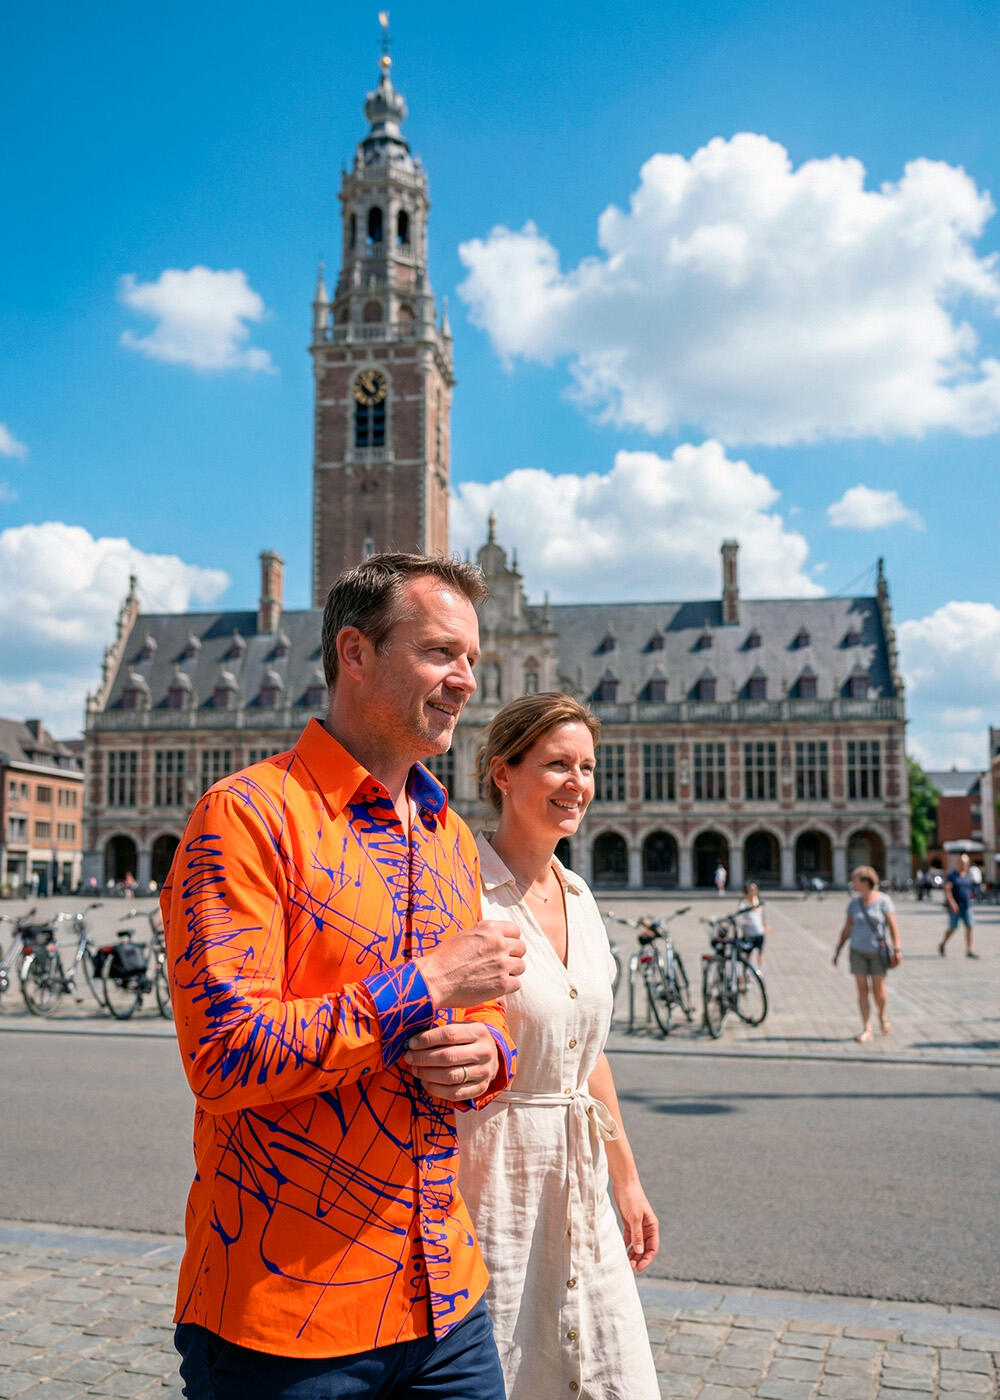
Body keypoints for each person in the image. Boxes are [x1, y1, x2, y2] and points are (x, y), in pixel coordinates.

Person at [161, 552, 526, 1400]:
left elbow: (488, 1019)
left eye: (472, 658)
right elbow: (224, 1056)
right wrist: (426, 982)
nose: (467, 680)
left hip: (446, 1298)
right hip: (286, 1313)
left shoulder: (447, 838)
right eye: (441, 653)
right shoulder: (246, 817)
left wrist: (487, 1062)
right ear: (354, 654)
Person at [442, 692, 659, 1400]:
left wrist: (626, 1181)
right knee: (507, 1363)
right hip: (491, 1182)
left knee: (610, 1374)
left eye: (588, 767)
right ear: (502, 772)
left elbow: (586, 1054)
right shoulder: (460, 893)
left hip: (579, 1182)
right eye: (557, 764)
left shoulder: (581, 897)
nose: (577, 784)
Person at [832, 865, 902, 1042]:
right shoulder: (854, 903)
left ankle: (882, 1015)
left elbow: (893, 927)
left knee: (879, 992)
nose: (852, 883)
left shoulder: (883, 901)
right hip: (857, 951)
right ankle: (867, 1028)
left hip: (878, 952)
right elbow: (847, 928)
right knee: (862, 990)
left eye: (855, 880)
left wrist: (897, 949)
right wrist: (838, 950)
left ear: (865, 882)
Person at [940, 852, 978, 958]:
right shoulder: (952, 875)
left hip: (967, 906)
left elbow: (971, 889)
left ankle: (969, 950)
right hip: (955, 907)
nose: (963, 865)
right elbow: (947, 890)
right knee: (952, 927)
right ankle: (943, 943)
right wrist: (952, 903)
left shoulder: (968, 875)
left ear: (968, 864)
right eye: (961, 863)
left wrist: (971, 897)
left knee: (969, 926)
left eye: (965, 863)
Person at [738, 881, 769, 969]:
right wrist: (743, 923)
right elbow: (740, 917)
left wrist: (765, 925)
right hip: (749, 934)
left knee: (760, 953)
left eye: (755, 890)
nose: (753, 892)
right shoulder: (743, 904)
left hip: (759, 932)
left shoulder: (758, 902)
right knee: (748, 955)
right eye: (751, 890)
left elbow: (762, 915)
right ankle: (746, 973)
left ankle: (759, 971)